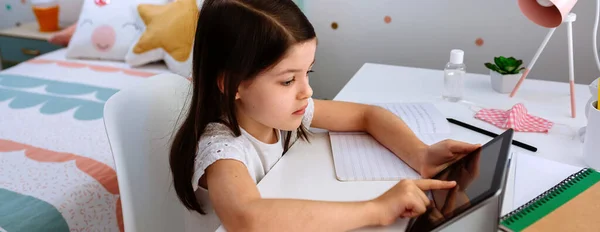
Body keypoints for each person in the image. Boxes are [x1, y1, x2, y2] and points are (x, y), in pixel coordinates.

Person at [169, 0, 481, 231]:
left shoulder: (283, 113)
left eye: (308, 72)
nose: (306, 90)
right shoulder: (222, 148)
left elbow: (366, 115)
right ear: (232, 85)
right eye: (288, 80)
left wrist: (420, 154)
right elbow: (247, 218)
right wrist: (376, 209)